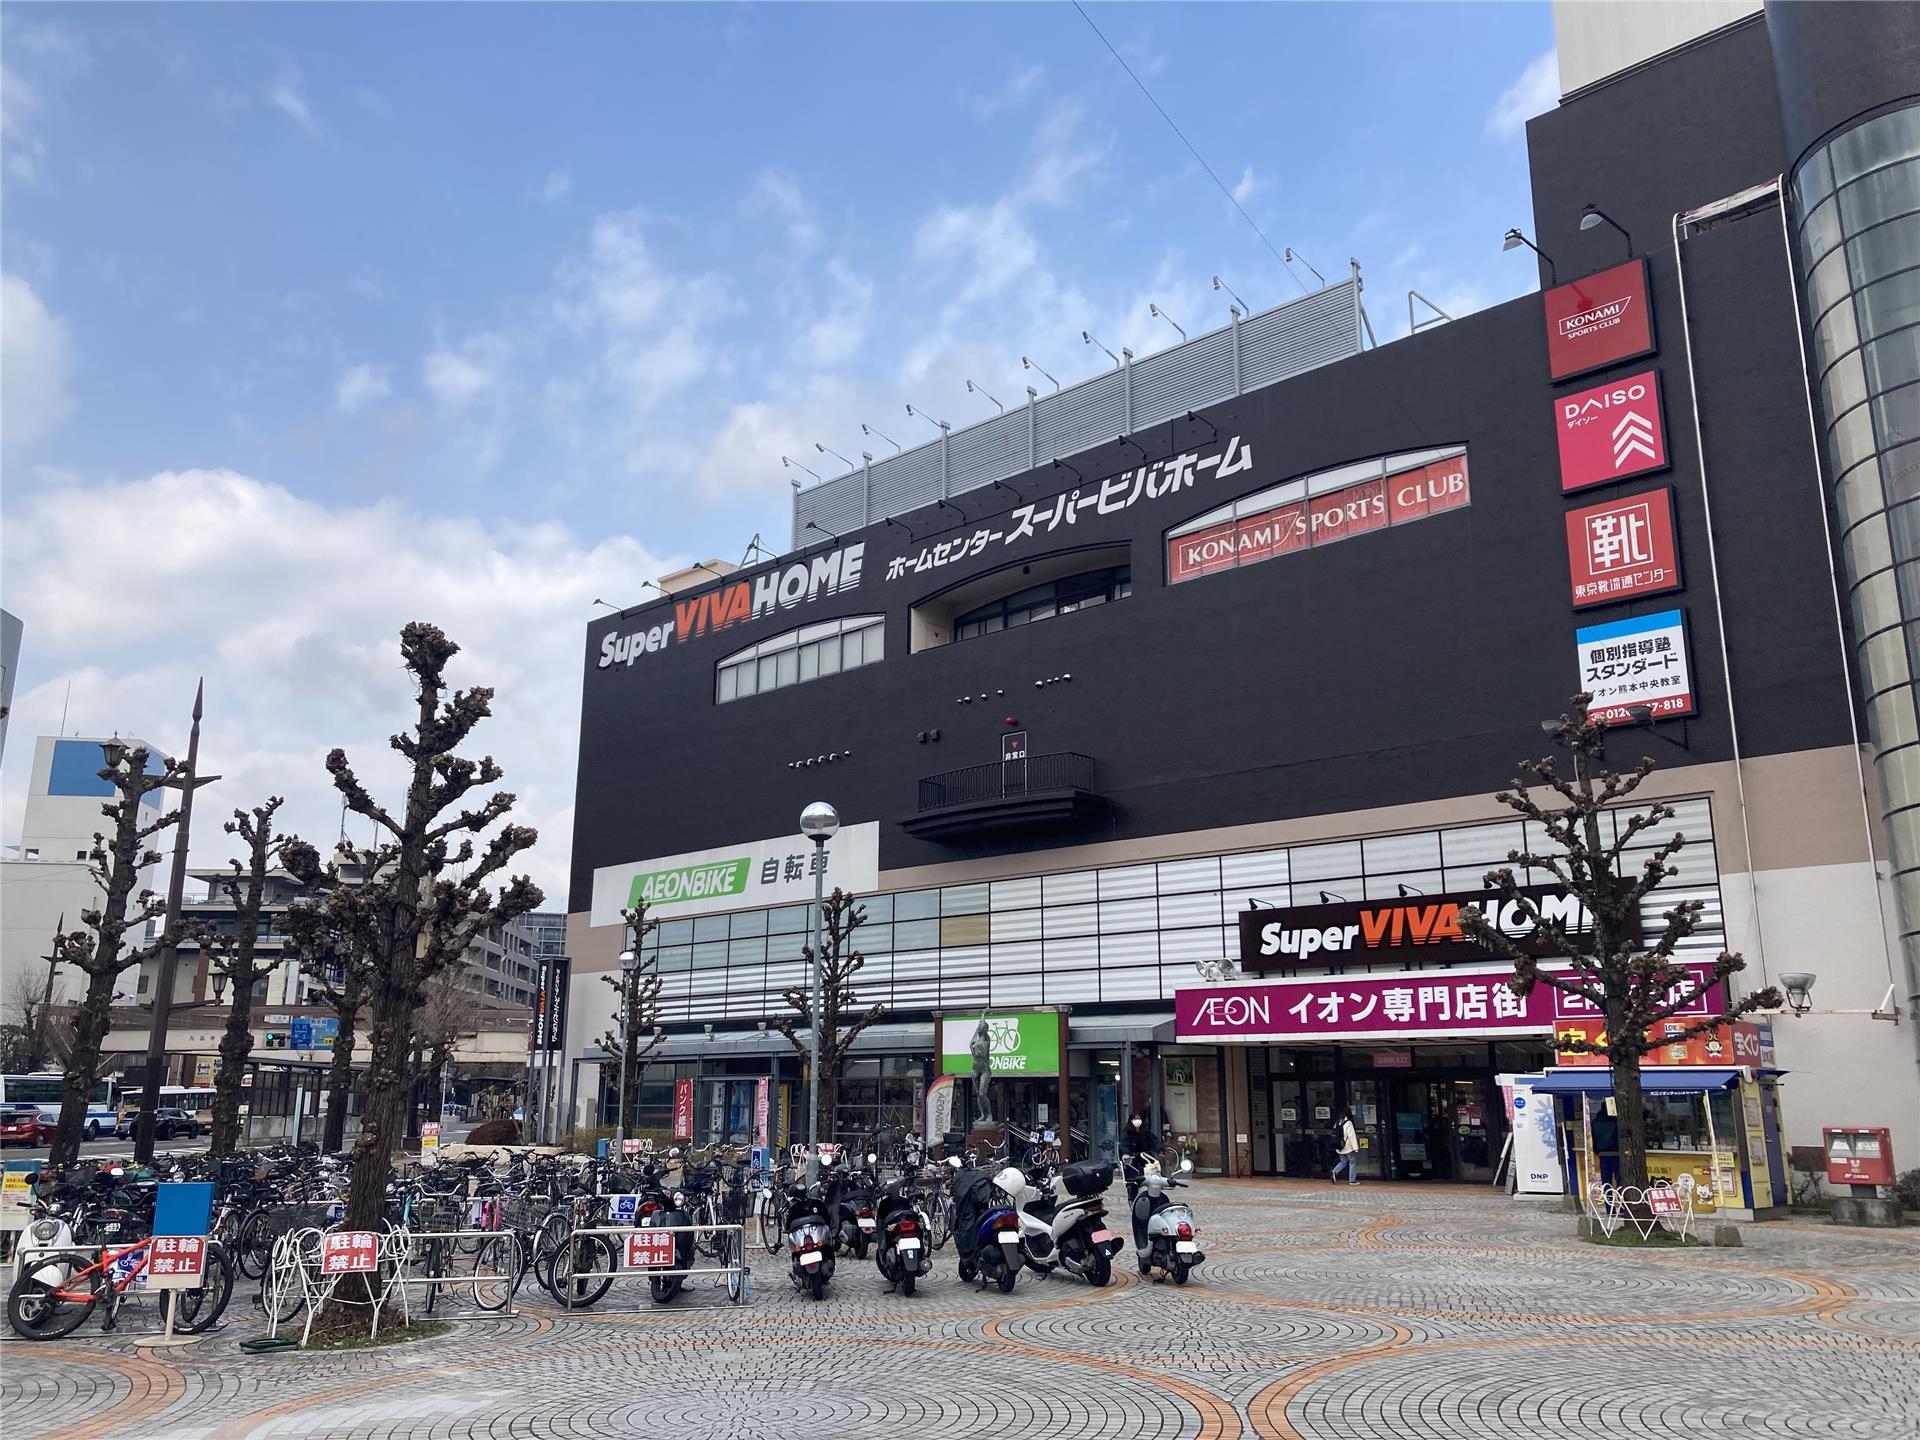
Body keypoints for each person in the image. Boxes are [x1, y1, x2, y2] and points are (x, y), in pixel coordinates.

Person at [1121, 1109, 1160, 1202]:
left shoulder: (1146, 1131)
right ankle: (1133, 1199)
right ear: (1131, 1120)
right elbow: (1124, 1144)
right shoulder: (1127, 1132)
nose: (1137, 1120)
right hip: (1133, 1159)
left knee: (1155, 1175)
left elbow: (1154, 1140)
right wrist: (1127, 1154)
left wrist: (1159, 1148)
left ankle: (1155, 1195)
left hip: (1146, 1158)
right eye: (1135, 1119)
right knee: (1134, 1178)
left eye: (1139, 1118)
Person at [1330, 1109, 1360, 1185]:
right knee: (1352, 1162)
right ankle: (1352, 1180)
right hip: (1347, 1147)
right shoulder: (1348, 1123)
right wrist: (1355, 1148)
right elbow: (1351, 1136)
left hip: (1340, 1146)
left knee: (1343, 1162)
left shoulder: (1338, 1122)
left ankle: (1334, 1171)